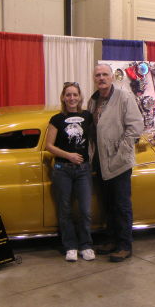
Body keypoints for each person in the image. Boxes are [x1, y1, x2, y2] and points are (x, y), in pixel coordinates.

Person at [88, 64, 144, 262]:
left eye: (105, 74)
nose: (101, 78)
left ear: (112, 77)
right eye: (98, 75)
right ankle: (111, 240)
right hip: (101, 161)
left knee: (121, 205)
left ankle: (124, 245)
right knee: (108, 205)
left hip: (119, 161)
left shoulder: (124, 97)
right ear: (94, 79)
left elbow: (136, 126)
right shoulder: (93, 100)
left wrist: (122, 151)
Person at [45, 82, 95, 262]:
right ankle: (70, 246)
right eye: (68, 95)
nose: (72, 98)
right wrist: (69, 155)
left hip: (83, 170)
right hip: (62, 169)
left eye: (75, 94)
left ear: (80, 97)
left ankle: (86, 245)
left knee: (85, 210)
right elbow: (48, 146)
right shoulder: (56, 119)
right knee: (64, 209)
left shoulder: (88, 116)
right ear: (63, 98)